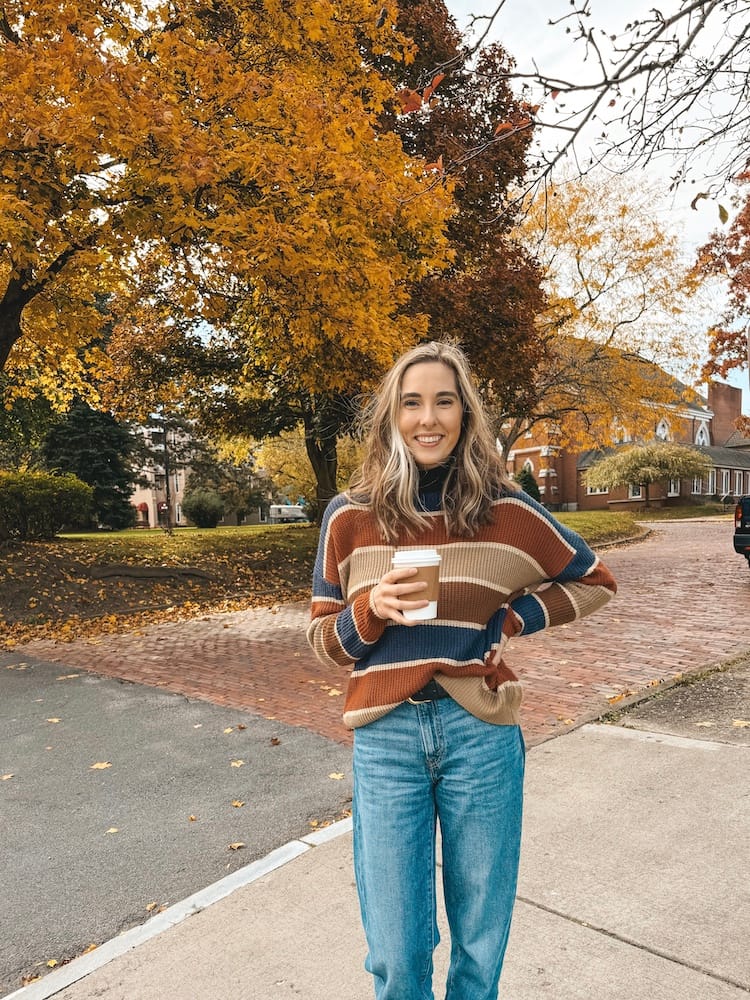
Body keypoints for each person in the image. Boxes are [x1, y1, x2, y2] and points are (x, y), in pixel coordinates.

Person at [307, 341, 617, 1000]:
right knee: (396, 950)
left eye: (444, 401)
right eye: (411, 403)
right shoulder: (349, 515)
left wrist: (511, 620)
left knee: (480, 936)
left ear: (465, 414)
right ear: (391, 416)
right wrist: (370, 611)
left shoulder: (505, 509)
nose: (428, 418)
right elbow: (326, 643)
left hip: (480, 733)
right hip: (386, 737)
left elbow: (593, 580)